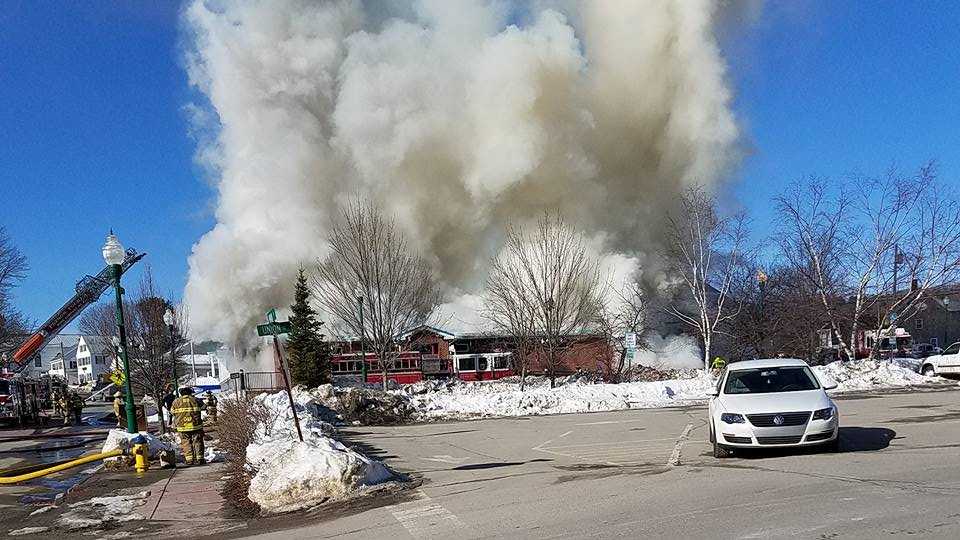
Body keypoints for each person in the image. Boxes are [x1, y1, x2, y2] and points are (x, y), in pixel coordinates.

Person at [171, 387, 205, 465]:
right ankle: (200, 459)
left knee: (186, 443)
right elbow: (204, 407)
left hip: (182, 427)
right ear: (190, 393)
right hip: (196, 425)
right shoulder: (196, 400)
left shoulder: (176, 401)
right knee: (198, 441)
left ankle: (189, 460)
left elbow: (172, 412)